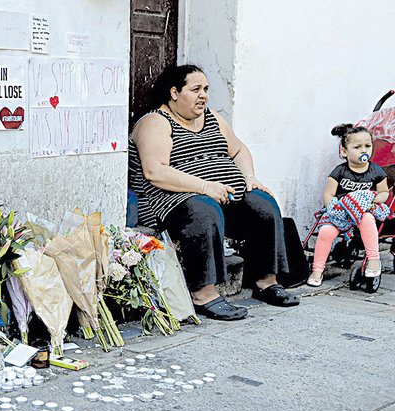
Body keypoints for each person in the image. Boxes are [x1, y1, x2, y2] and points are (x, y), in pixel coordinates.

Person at [129, 64, 298, 321]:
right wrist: (205, 187)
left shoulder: (211, 117)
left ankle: (266, 282)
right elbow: (155, 171)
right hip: (175, 202)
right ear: (174, 92)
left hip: (223, 196)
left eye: (206, 89)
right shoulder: (155, 122)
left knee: (262, 203)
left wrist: (250, 178)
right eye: (195, 89)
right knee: (203, 210)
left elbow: (239, 150)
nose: (203, 95)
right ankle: (203, 293)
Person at [306, 124, 389, 287]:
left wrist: (371, 199)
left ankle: (373, 259)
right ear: (344, 151)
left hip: (364, 211)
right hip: (342, 212)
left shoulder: (376, 172)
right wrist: (333, 206)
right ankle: (317, 269)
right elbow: (329, 194)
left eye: (368, 146)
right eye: (357, 147)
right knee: (325, 231)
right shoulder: (340, 171)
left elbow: (384, 193)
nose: (364, 150)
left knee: (367, 218)